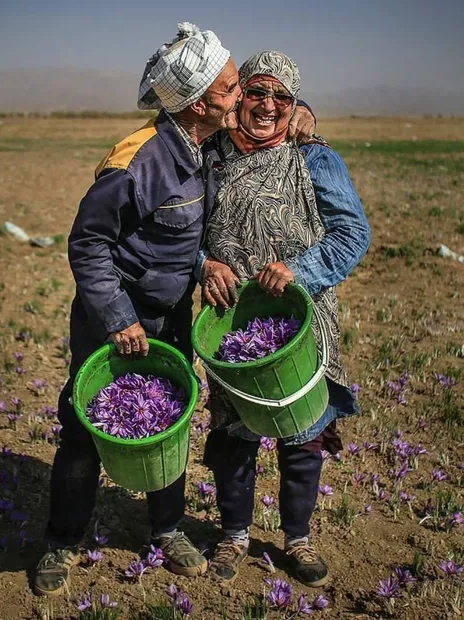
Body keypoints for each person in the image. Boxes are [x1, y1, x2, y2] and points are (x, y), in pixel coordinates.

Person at [33, 22, 244, 596]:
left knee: (167, 423)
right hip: (115, 320)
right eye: (230, 88)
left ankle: (167, 528)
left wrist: (203, 265)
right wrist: (117, 317)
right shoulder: (139, 161)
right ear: (201, 103)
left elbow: (171, 234)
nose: (240, 94)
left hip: (168, 315)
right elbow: (89, 243)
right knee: (83, 427)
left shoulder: (200, 147)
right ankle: (62, 538)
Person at [197, 51, 371, 587]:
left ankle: (298, 537)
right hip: (232, 323)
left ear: (295, 104)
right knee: (234, 432)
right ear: (238, 95)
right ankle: (233, 536)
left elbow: (351, 234)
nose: (268, 106)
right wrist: (203, 263)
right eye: (256, 92)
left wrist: (299, 269)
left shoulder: (315, 158)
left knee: (301, 433)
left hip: (303, 320)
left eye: (282, 97)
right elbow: (179, 227)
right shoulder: (209, 155)